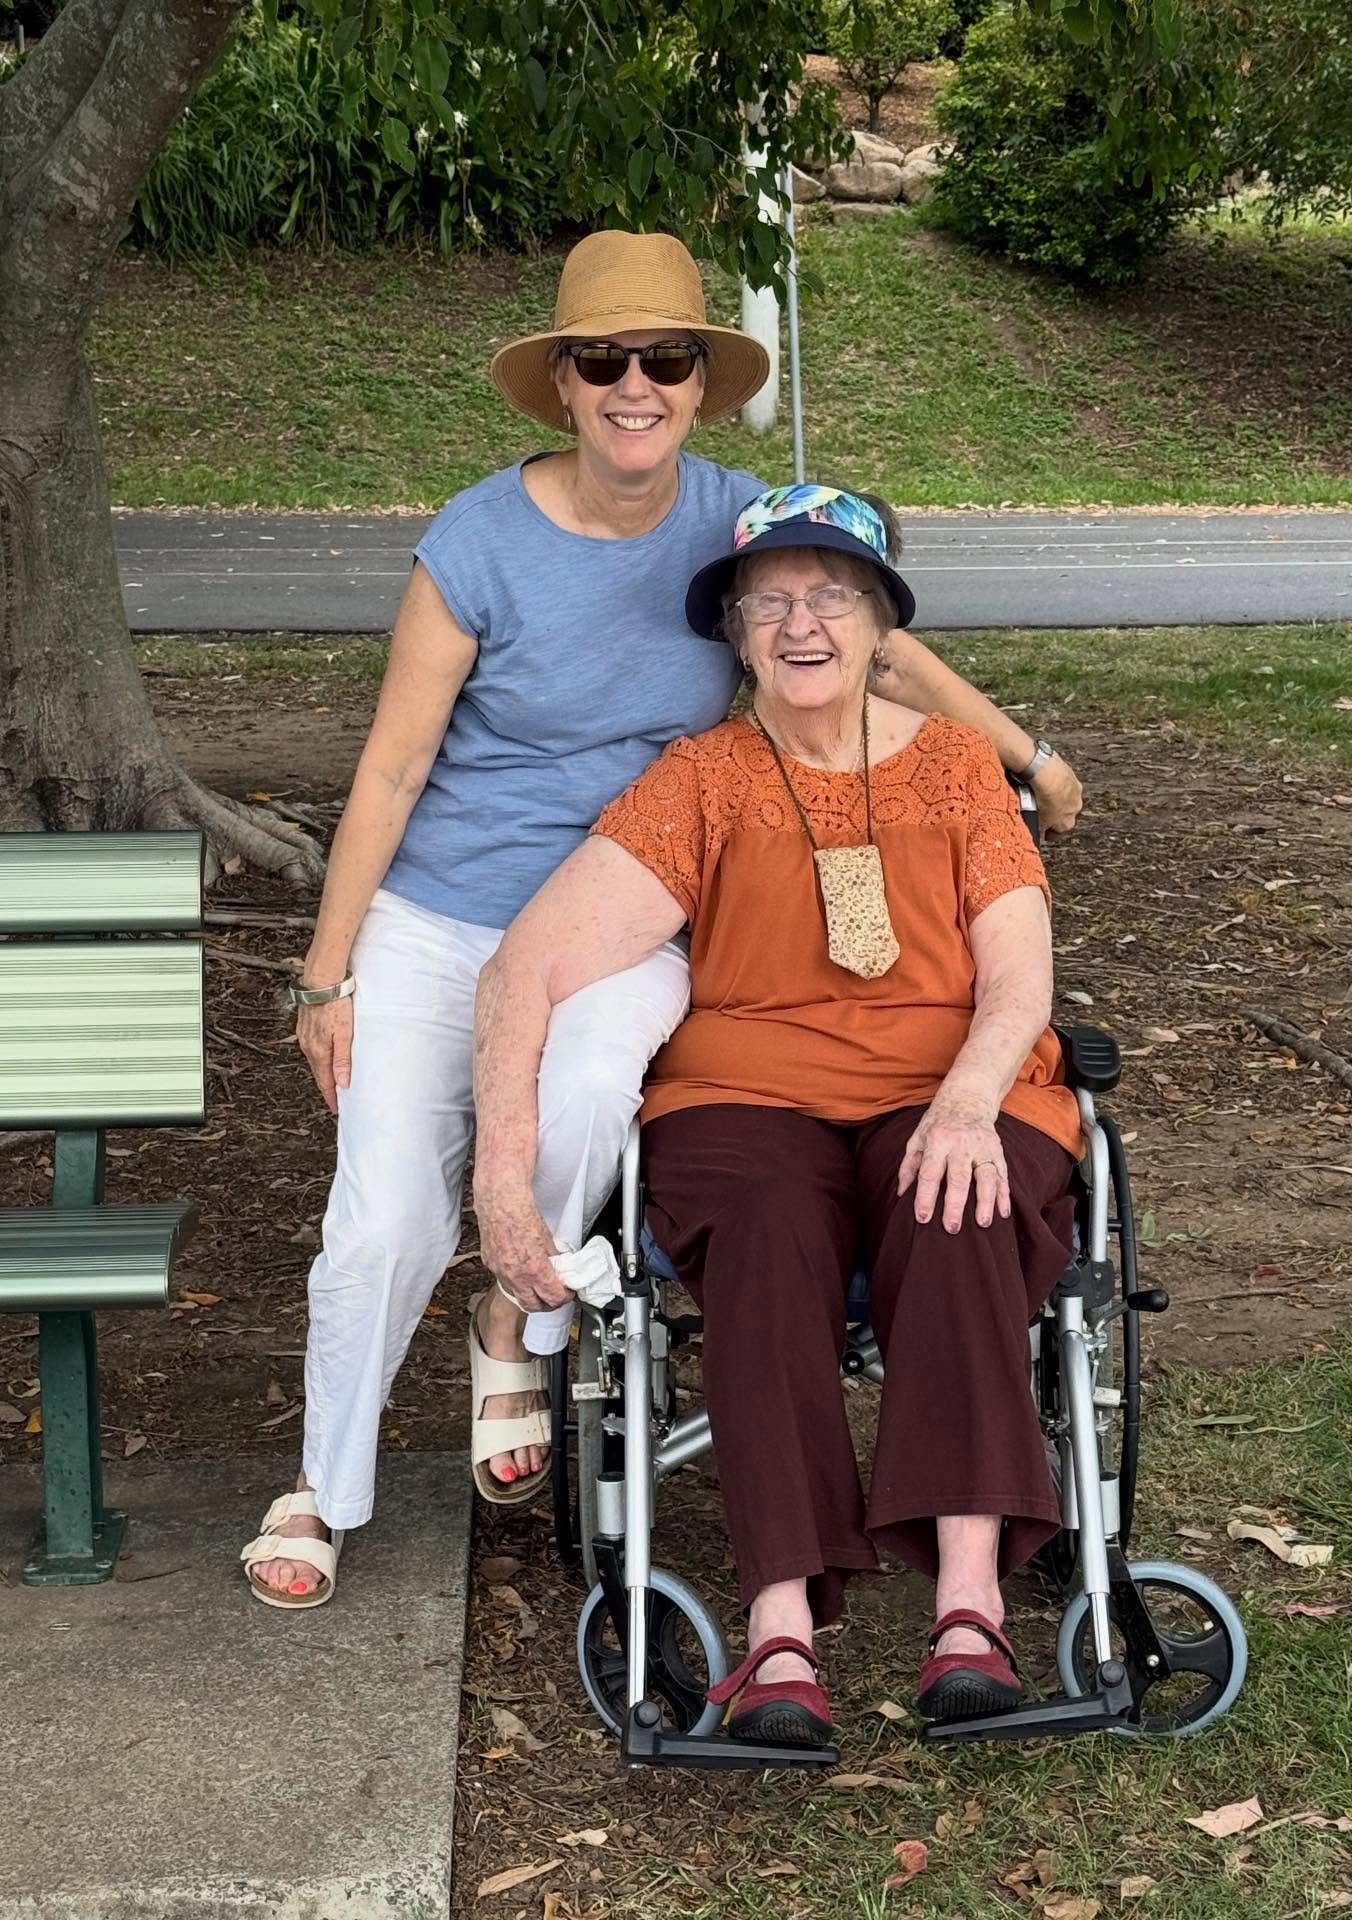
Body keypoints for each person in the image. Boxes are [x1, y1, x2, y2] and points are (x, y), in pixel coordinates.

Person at [240, 231, 1083, 1611]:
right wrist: (325, 975)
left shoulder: (737, 523)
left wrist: (1024, 756)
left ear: (701, 386)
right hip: (449, 908)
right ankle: (325, 1489)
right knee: (387, 1206)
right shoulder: (479, 541)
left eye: (667, 359)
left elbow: (885, 639)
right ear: (562, 384)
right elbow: (391, 768)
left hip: (637, 914)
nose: (637, 384)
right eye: (604, 361)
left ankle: (517, 1312)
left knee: (585, 1111)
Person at [471, 484, 1083, 1741]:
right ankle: (780, 1627)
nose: (803, 625)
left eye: (832, 597)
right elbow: (523, 967)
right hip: (749, 1092)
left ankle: (969, 1609)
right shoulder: (700, 780)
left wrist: (967, 1102)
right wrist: (503, 1181)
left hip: (952, 1083)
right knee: (759, 1230)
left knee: (955, 1202)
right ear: (738, 632)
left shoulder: (963, 766)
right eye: (772, 603)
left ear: (879, 625)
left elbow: (1021, 970)